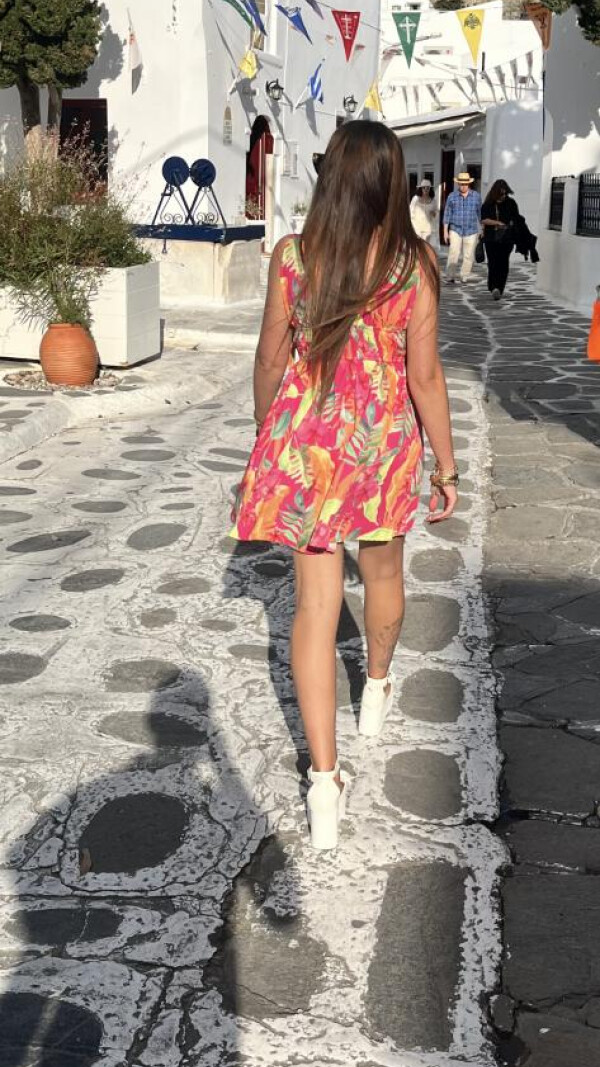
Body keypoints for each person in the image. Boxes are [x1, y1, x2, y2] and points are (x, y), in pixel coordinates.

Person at [230, 121, 458, 851]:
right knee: (384, 571)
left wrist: (268, 434)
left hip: (307, 446)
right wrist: (445, 465)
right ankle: (378, 685)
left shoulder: (293, 257)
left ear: (330, 178)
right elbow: (424, 376)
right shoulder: (413, 264)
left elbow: (270, 360)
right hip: (381, 444)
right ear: (391, 184)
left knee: (313, 608)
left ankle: (323, 783)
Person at [481, 179, 520, 300]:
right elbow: (484, 219)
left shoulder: (511, 203)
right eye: (501, 194)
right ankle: (493, 287)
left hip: (507, 239)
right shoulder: (488, 204)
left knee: (503, 264)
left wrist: (512, 225)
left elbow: (516, 218)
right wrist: (497, 223)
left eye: (505, 193)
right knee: (493, 263)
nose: (503, 196)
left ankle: (499, 288)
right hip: (491, 238)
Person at [442, 171, 482, 284]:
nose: (463, 186)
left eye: (465, 184)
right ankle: (450, 276)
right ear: (458, 184)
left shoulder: (476, 196)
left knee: (468, 255)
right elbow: (447, 214)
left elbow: (480, 213)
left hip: (471, 230)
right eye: (461, 184)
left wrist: (482, 228)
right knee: (453, 253)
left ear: (468, 184)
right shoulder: (452, 196)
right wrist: (445, 231)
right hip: (456, 229)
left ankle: (464, 275)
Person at [410, 178, 438, 244]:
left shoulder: (433, 201)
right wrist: (412, 225)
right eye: (423, 188)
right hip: (417, 228)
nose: (425, 189)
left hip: (427, 229)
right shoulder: (415, 198)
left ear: (430, 189)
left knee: (426, 246)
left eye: (427, 188)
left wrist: (433, 214)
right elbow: (411, 212)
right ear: (421, 189)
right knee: (417, 245)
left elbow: (436, 214)